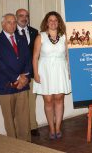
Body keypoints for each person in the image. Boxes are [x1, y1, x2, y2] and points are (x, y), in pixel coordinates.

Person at [0, 13, 31, 141]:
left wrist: (24, 77)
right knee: (9, 121)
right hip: (6, 86)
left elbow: (28, 60)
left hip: (22, 86)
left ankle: (26, 145)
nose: (12, 25)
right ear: (3, 24)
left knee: (24, 119)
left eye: (14, 22)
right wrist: (17, 78)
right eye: (9, 22)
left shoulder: (22, 39)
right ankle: (13, 147)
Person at [33, 11, 71, 140]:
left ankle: (58, 127)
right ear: (46, 22)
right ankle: (51, 128)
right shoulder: (41, 37)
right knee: (48, 100)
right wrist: (36, 74)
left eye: (55, 20)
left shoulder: (64, 37)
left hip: (60, 71)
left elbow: (68, 55)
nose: (53, 22)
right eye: (50, 20)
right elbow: (35, 57)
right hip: (45, 71)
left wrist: (70, 71)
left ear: (59, 22)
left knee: (59, 99)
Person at [15, 8, 40, 136]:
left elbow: (37, 53)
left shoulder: (34, 32)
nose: (24, 18)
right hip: (18, 75)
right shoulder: (11, 32)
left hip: (31, 72)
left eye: (26, 16)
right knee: (20, 103)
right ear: (16, 17)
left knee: (31, 100)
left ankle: (32, 126)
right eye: (21, 15)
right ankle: (21, 127)